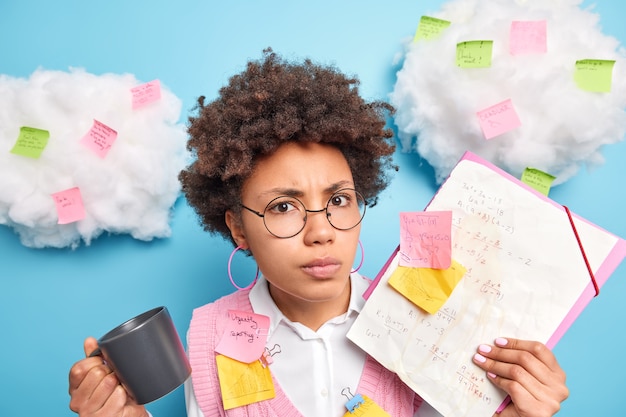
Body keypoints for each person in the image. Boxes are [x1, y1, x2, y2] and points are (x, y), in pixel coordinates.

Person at [68, 49, 569, 417]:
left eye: (338, 201)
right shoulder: (207, 336)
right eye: (283, 207)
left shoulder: (424, 320)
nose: (321, 233)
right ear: (238, 227)